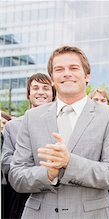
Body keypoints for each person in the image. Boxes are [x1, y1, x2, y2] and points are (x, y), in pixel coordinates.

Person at [9, 45, 109, 218]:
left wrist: (69, 163)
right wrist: (49, 174)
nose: (66, 73)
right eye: (59, 69)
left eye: (73, 68)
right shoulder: (31, 117)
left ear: (87, 76)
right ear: (52, 78)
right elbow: (17, 176)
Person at [1, 73, 55, 219]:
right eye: (35, 88)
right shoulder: (12, 126)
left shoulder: (61, 124)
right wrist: (39, 168)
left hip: (55, 196)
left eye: (46, 88)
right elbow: (6, 164)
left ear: (53, 94)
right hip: (22, 197)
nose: (41, 92)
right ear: (29, 94)